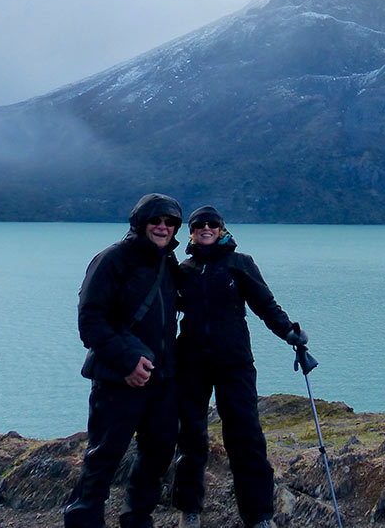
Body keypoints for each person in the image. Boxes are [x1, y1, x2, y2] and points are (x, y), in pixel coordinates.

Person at [173, 206, 308, 528]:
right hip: (190, 363)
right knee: (190, 438)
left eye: (212, 224)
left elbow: (265, 304)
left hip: (235, 363)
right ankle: (189, 510)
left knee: (246, 437)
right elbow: (163, 311)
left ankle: (259, 516)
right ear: (190, 232)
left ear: (221, 229)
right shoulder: (183, 269)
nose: (206, 228)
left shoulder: (240, 263)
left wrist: (289, 331)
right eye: (199, 225)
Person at [64, 193, 183, 528]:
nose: (162, 227)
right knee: (104, 455)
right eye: (156, 220)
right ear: (140, 222)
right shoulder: (112, 259)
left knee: (159, 451)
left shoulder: (167, 263)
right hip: (118, 378)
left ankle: (138, 518)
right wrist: (127, 362)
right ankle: (84, 520)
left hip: (161, 379)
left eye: (170, 221)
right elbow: (90, 320)